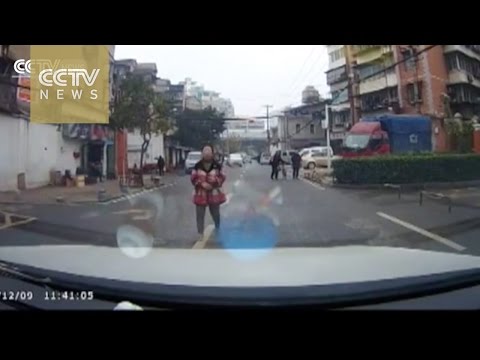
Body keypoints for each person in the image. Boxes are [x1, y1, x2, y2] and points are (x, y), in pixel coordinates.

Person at [191, 144, 226, 239]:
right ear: (202, 153)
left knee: (215, 213)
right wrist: (201, 184)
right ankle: (200, 233)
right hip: (200, 193)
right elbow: (193, 178)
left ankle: (218, 227)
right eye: (205, 151)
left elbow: (222, 176)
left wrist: (214, 183)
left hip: (214, 193)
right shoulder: (197, 166)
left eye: (209, 151)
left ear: (212, 153)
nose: (207, 153)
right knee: (200, 214)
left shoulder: (217, 166)